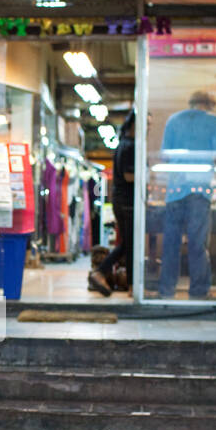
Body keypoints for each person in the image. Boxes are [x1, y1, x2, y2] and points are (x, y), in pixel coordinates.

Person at [159, 91, 216, 300]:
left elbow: (165, 155)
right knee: (198, 244)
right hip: (199, 189)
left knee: (171, 243)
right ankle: (198, 291)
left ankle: (167, 290)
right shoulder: (215, 122)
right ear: (207, 104)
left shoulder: (173, 120)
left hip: (175, 190)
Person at [88, 111, 136, 297]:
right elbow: (129, 176)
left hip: (121, 200)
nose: (148, 128)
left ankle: (101, 272)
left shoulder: (124, 144)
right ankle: (129, 284)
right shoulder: (129, 146)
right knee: (130, 244)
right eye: (146, 124)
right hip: (126, 202)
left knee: (127, 243)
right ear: (134, 125)